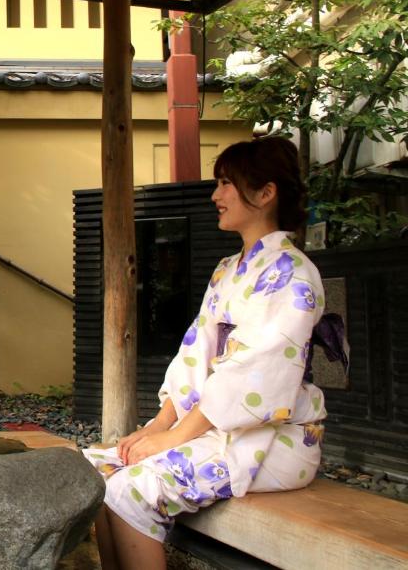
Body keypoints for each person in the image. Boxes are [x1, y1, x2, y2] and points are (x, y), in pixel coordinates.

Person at [83, 137, 328, 570]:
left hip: (273, 440)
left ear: (266, 193)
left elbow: (253, 374)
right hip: (220, 429)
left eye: (226, 184)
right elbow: (195, 355)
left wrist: (175, 438)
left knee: (130, 491)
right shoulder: (226, 271)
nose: (216, 195)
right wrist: (155, 427)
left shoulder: (293, 275)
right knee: (95, 470)